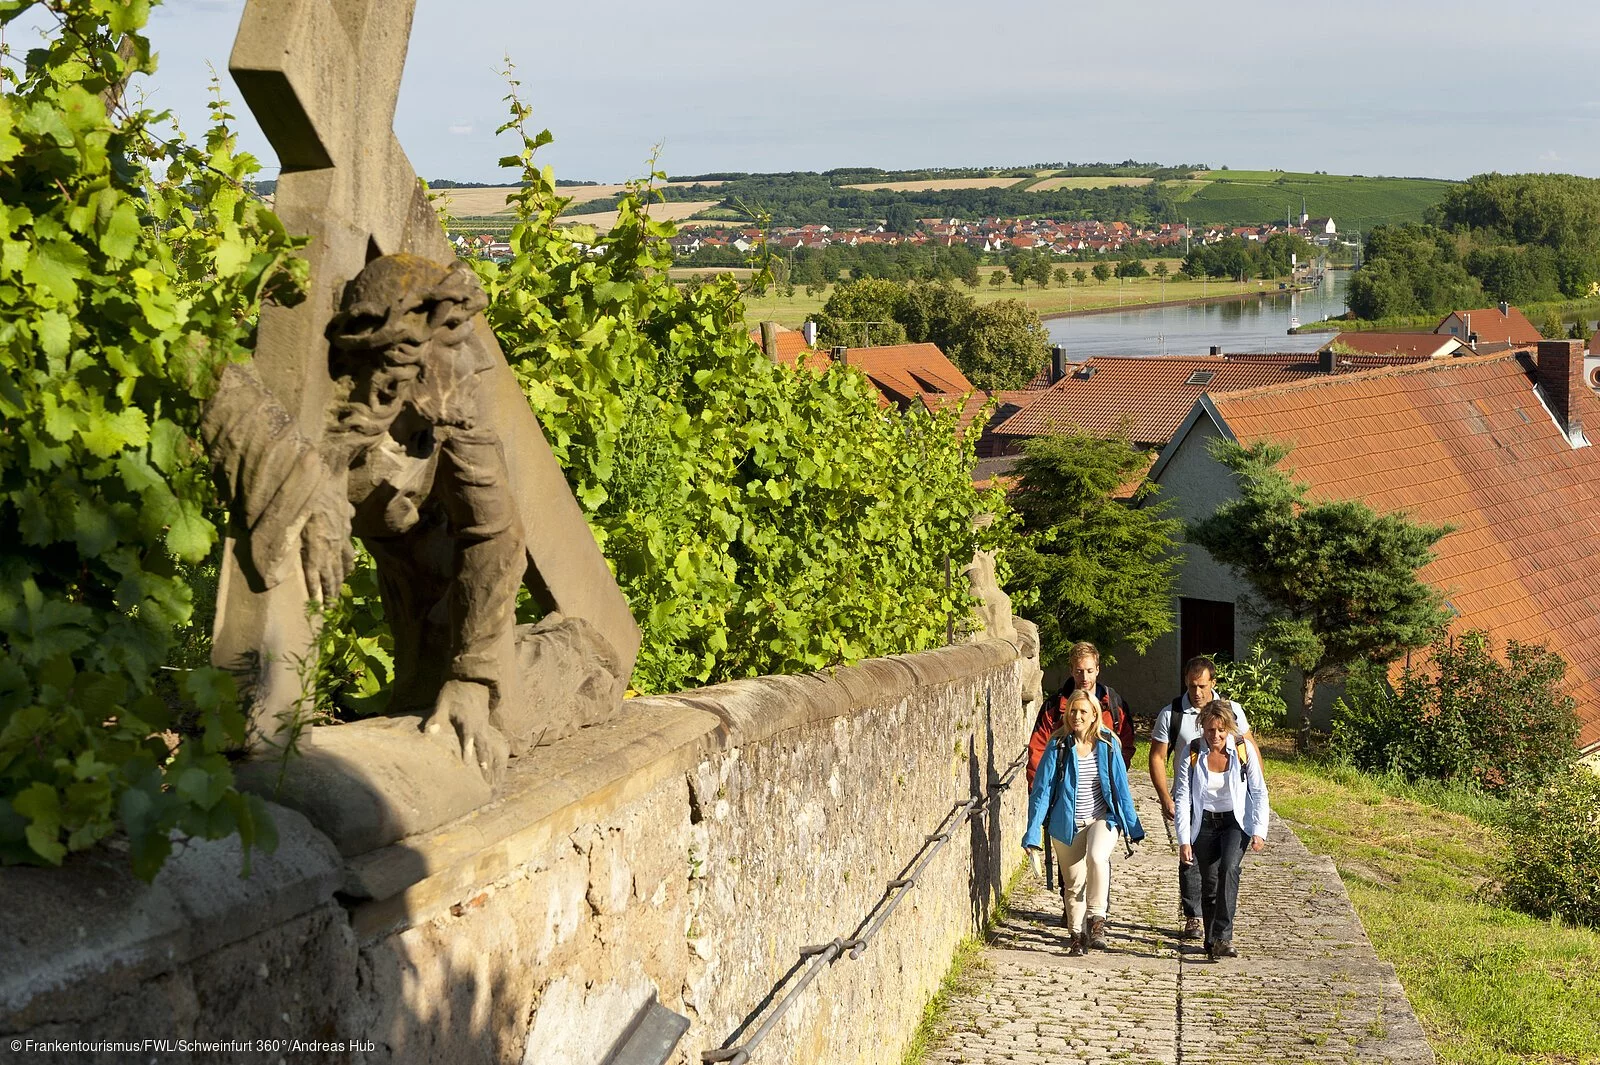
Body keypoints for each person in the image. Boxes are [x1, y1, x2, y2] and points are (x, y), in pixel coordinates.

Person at [1023, 690, 1146, 956]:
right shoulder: (1057, 746)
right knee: (1073, 884)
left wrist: (1133, 826)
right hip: (1065, 826)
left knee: (1097, 856)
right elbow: (1041, 793)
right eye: (1073, 711)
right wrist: (1032, 835)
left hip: (1102, 818)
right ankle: (1077, 935)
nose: (1077, 716)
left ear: (1094, 716)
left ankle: (1097, 919)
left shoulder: (1108, 743)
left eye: (1083, 712)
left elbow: (1121, 788)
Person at [1147, 655, 1254, 940]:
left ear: (1213, 683)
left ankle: (1218, 925)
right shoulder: (1172, 714)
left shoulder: (1232, 712)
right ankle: (1193, 915)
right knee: (1189, 857)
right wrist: (1164, 797)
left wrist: (1254, 793)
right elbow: (1157, 757)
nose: (1197, 692)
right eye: (1192, 686)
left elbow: (1250, 750)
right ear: (1186, 682)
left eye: (1203, 685)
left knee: (1222, 866)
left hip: (1226, 798)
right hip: (1190, 796)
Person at [1173, 701, 1269, 960]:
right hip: (1203, 823)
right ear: (1202, 727)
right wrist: (1184, 839)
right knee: (1210, 881)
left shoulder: (1242, 749)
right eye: (1210, 730)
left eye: (1221, 730)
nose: (1215, 736)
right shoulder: (1192, 752)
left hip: (1235, 822)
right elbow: (1182, 796)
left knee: (1229, 868)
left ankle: (1224, 936)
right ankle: (1211, 938)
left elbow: (1259, 791)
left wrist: (1259, 829)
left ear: (1229, 729)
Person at [1026, 641, 1136, 790]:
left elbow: (1126, 745)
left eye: (1089, 671)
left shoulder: (1114, 705)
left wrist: (1115, 777)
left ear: (1097, 670)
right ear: (1071, 670)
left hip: (1105, 789)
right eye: (1079, 671)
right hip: (1063, 789)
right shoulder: (1054, 708)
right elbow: (1037, 751)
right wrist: (1040, 792)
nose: (1084, 677)